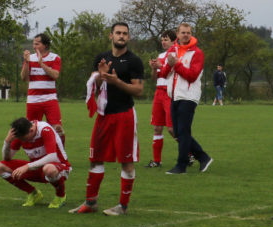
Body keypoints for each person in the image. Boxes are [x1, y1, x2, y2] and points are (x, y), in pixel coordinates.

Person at [70, 22, 144, 216]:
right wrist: (99, 75)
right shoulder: (101, 58)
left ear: (128, 37)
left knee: (126, 161)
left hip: (124, 115)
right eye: (118, 33)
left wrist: (117, 81)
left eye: (125, 33)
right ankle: (91, 202)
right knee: (95, 159)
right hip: (103, 115)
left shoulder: (134, 61)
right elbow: (93, 82)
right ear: (111, 36)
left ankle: (123, 206)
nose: (121, 36)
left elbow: (138, 90)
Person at [157, 23, 213, 175]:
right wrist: (166, 65)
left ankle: (181, 165)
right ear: (177, 34)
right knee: (178, 132)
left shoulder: (197, 53)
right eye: (183, 32)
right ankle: (203, 157)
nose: (186, 35)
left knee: (183, 131)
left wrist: (176, 64)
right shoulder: (173, 50)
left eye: (188, 32)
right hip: (174, 95)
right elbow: (163, 74)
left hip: (188, 96)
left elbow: (192, 76)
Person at [0, 117, 70, 208]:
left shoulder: (45, 130)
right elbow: (7, 158)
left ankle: (60, 196)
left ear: (31, 130)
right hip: (37, 168)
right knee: (0, 167)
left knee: (49, 169)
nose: (23, 141)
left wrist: (27, 166)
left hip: (59, 167)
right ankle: (33, 193)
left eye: (24, 138)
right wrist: (7, 142)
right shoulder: (21, 133)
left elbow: (52, 157)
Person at [21, 33, 63, 139]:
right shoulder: (30, 58)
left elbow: (55, 75)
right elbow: (24, 78)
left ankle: (59, 150)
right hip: (33, 100)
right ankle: (37, 150)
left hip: (50, 99)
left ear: (45, 45)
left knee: (57, 129)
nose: (34, 46)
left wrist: (41, 64)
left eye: (37, 44)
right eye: (33, 44)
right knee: (31, 130)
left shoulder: (55, 58)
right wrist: (26, 62)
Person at [145, 29, 176, 168]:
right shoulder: (160, 55)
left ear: (173, 41)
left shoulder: (175, 54)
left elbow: (171, 72)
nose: (163, 42)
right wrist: (153, 68)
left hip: (170, 93)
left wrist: (161, 65)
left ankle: (189, 152)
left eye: (166, 39)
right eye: (162, 40)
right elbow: (155, 78)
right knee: (157, 127)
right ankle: (157, 161)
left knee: (171, 129)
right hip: (159, 92)